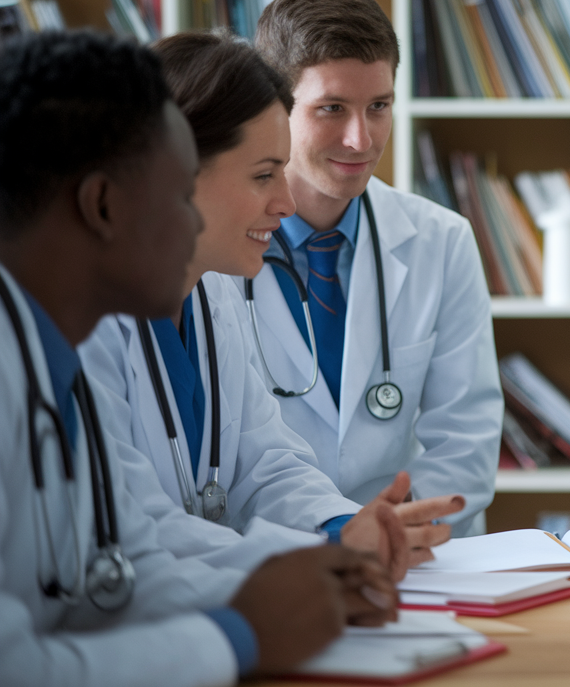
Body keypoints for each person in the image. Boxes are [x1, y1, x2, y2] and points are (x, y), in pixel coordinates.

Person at [0, 30, 397, 685]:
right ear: (102, 204)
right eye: (179, 192)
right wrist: (240, 633)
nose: (189, 227)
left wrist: (311, 581)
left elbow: (128, 561)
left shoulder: (50, 359)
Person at [80, 32, 462, 579]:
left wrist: (339, 527)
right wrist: (322, 557)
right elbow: (130, 522)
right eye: (263, 176)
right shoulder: (82, 326)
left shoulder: (211, 295)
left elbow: (267, 461)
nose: (285, 204)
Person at [244, 0, 501, 536]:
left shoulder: (443, 240)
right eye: (332, 108)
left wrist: (388, 538)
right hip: (274, 555)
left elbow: (466, 442)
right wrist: (336, 538)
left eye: (379, 106)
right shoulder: (217, 255)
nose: (361, 139)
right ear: (274, 106)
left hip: (416, 556)